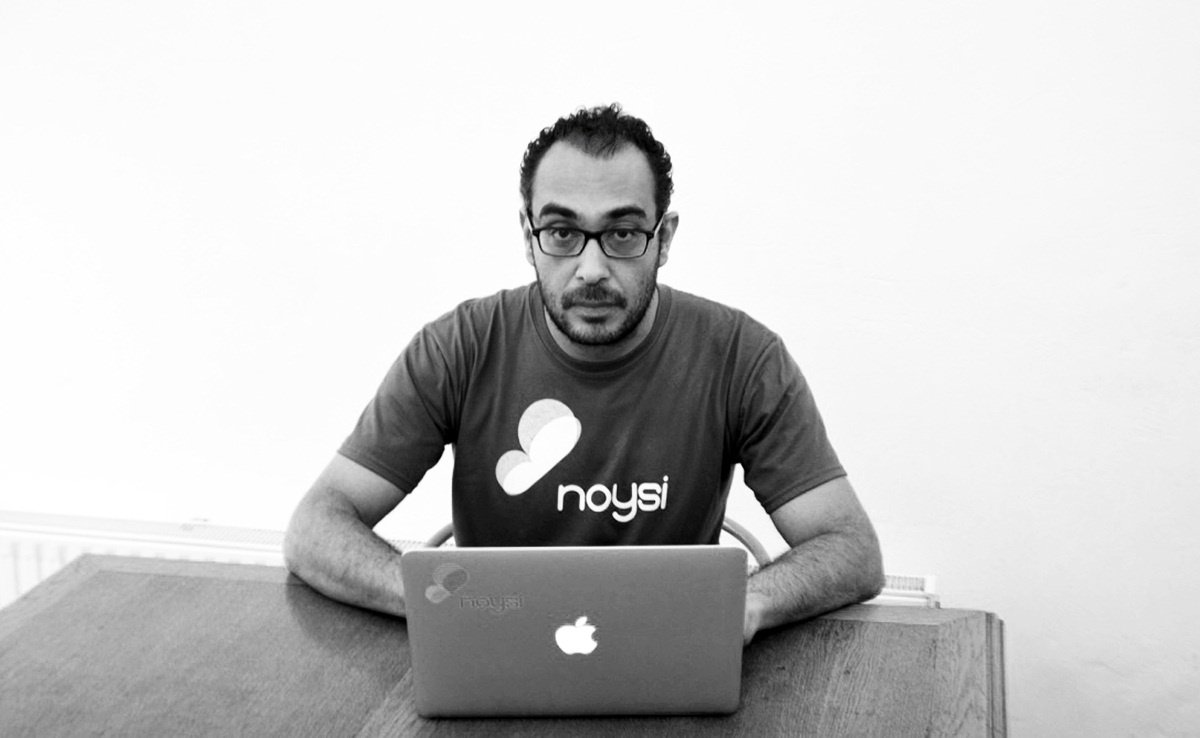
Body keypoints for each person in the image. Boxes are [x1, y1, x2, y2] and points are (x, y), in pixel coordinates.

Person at [283, 103, 884, 644]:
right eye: (563, 232)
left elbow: (852, 550)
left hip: (667, 664)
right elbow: (315, 528)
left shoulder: (743, 358)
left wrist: (745, 604)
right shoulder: (457, 348)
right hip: (495, 657)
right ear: (529, 237)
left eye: (622, 233)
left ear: (664, 238)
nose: (591, 268)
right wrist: (441, 603)